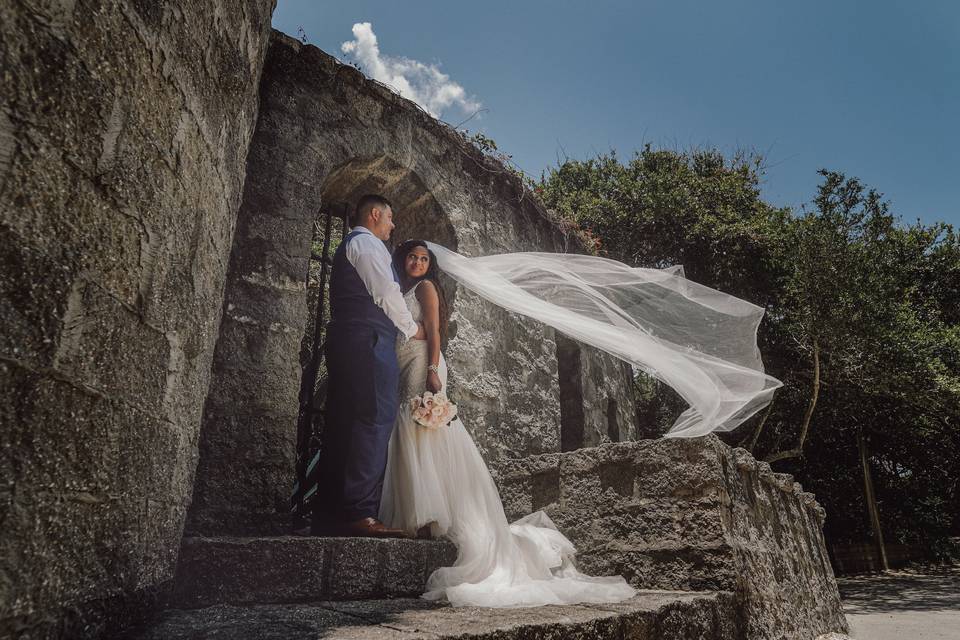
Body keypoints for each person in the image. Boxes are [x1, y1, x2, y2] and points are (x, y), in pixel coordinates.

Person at [378, 239, 638, 607]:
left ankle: (426, 520)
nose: (418, 263)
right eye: (413, 257)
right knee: (411, 429)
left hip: (425, 365)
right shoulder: (402, 289)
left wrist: (434, 370)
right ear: (403, 259)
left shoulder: (425, 287)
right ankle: (419, 515)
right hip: (408, 364)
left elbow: (434, 332)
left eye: (424, 259)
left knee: (422, 428)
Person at [312, 195, 425, 538]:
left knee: (344, 421)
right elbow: (387, 293)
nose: (392, 227)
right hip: (369, 339)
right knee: (375, 416)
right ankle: (359, 512)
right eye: (390, 219)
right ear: (375, 215)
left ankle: (329, 514)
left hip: (349, 337)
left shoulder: (355, 245)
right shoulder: (367, 243)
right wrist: (412, 329)